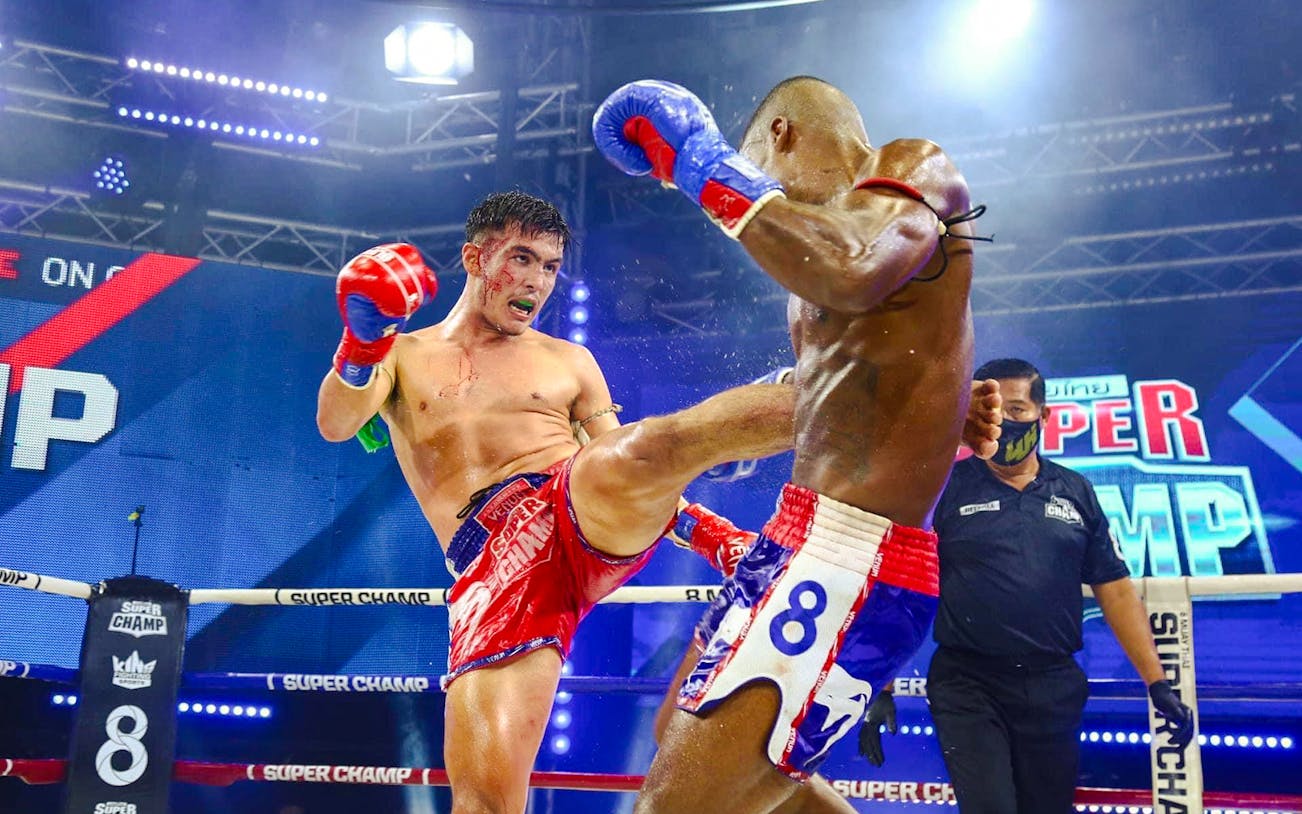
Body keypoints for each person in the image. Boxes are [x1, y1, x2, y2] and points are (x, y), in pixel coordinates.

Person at [316, 190, 800, 814]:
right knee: (483, 801)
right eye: (522, 259)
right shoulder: (403, 355)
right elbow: (336, 423)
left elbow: (629, 465)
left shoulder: (569, 361)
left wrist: (717, 538)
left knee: (639, 450)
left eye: (549, 267)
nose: (538, 282)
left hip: (574, 505)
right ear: (475, 259)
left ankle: (809, 399)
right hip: (493, 568)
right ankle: (735, 435)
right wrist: (362, 341)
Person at [594, 75, 997, 814]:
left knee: (671, 807)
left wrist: (706, 166)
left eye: (756, 167)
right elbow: (845, 390)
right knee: (690, 743)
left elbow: (852, 266)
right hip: (796, 538)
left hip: (851, 557)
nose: (764, 193)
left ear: (779, 136)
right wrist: (949, 413)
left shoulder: (913, 165)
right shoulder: (810, 283)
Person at [857, 358, 1195, 814]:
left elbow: (1114, 588)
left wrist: (1158, 683)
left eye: (1016, 410)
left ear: (1043, 415)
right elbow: (903, 588)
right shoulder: (943, 490)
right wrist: (880, 684)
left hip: (1053, 685)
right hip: (968, 684)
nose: (1004, 423)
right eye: (993, 412)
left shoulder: (1075, 491)